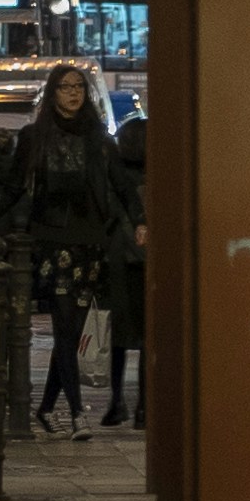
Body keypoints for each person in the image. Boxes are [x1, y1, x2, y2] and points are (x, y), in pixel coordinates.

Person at [10, 57, 127, 430]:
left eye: (79, 87)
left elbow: (121, 184)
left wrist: (139, 220)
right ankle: (77, 413)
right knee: (64, 324)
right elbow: (15, 186)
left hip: (90, 238)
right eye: (66, 87)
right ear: (53, 93)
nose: (73, 93)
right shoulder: (34, 136)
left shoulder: (99, 138)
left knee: (72, 330)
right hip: (52, 236)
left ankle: (46, 407)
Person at [102, 103, 150, 435]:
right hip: (145, 264)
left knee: (118, 339)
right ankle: (143, 406)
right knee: (148, 338)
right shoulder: (159, 177)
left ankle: (115, 400)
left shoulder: (115, 177)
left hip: (117, 262)